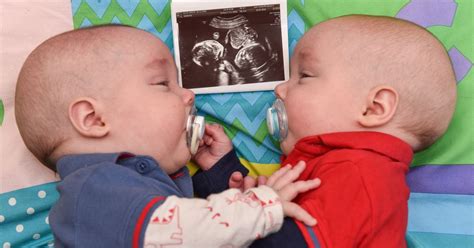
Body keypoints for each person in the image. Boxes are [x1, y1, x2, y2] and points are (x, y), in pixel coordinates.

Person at [14, 25, 320, 248]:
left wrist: (219, 173)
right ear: (93, 119)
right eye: (163, 84)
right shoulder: (94, 189)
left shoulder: (139, 185)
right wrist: (260, 205)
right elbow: (183, 230)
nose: (189, 95)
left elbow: (197, 222)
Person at [238, 15, 457, 247]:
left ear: (373, 108)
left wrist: (260, 208)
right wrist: (220, 173)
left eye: (304, 76)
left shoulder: (360, 174)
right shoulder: (345, 167)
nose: (279, 89)